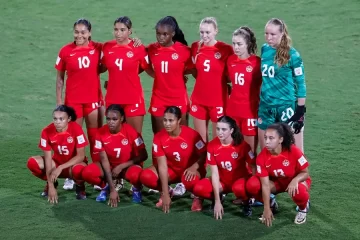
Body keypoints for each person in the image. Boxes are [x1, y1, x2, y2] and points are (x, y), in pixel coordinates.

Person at [55, 18, 103, 190]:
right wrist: (60, 104)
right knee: (73, 139)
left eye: (83, 32)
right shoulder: (65, 51)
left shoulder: (99, 48)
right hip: (73, 102)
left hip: (93, 101)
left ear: (89, 32)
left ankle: (98, 171)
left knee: (95, 137)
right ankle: (71, 173)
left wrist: (135, 41)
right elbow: (60, 79)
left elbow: (115, 54)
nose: (79, 35)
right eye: (76, 31)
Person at [140, 106, 206, 213]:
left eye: (171, 120)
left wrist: (194, 167)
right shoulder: (159, 137)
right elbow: (162, 165)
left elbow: (204, 153)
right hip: (172, 171)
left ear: (179, 120)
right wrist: (165, 194)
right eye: (165, 120)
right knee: (146, 177)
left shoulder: (192, 134)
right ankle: (167, 191)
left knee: (191, 180)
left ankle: (198, 197)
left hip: (189, 171)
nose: (167, 124)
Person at [81, 104, 148, 206]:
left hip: (127, 167)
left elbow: (144, 155)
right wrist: (112, 189)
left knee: (137, 175)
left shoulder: (131, 131)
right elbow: (103, 160)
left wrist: (121, 166)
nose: (110, 122)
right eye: (108, 119)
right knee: (87, 173)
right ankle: (106, 187)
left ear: (122, 118)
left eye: (114, 119)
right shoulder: (100, 133)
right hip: (109, 166)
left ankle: (136, 189)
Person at [246, 123, 311, 226]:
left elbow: (305, 173)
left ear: (280, 139)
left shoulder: (294, 150)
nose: (267, 141)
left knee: (299, 190)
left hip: (296, 181)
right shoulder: (262, 157)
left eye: (271, 138)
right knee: (252, 184)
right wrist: (266, 208)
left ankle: (303, 208)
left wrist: (295, 180)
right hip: (277, 183)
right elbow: (265, 185)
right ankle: (271, 203)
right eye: (266, 137)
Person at [258, 18, 306, 151]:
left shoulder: (293, 55)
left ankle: (301, 172)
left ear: (282, 34)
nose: (268, 37)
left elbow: (301, 84)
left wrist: (300, 110)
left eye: (273, 34)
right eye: (266, 33)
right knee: (267, 149)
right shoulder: (264, 49)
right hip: (266, 106)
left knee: (293, 150)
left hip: (286, 106)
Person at [193, 116, 256, 219]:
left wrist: (253, 191)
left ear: (231, 130)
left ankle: (246, 203)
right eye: (218, 129)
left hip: (239, 182)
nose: (220, 132)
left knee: (239, 188)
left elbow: (253, 166)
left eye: (224, 129)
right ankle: (218, 198)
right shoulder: (212, 146)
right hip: (222, 182)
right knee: (199, 188)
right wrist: (217, 201)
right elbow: (214, 172)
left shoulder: (243, 145)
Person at [100, 16, 152, 134]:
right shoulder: (107, 47)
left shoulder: (138, 47)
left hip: (133, 99)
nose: (118, 33)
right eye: (116, 29)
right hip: (113, 99)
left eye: (122, 30)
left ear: (130, 31)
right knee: (115, 138)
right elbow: (102, 67)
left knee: (135, 139)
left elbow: (147, 68)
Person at [26, 105, 88, 204]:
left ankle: (80, 186)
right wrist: (51, 186)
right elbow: (48, 159)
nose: (57, 122)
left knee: (79, 170)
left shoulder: (76, 129)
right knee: (32, 163)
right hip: (56, 164)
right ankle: (52, 183)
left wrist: (61, 168)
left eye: (61, 119)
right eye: (55, 119)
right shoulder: (46, 131)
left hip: (73, 166)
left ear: (69, 119)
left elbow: (80, 156)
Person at [189, 17, 233, 142]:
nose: (204, 35)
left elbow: (231, 74)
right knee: (200, 141)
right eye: (202, 32)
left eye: (208, 32)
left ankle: (215, 162)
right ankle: (202, 162)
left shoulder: (225, 49)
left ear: (216, 31)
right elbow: (195, 70)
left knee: (218, 141)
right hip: (199, 100)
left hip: (218, 101)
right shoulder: (195, 47)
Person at [147, 16, 193, 134]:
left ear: (172, 33)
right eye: (158, 33)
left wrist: (178, 74)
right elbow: (141, 63)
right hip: (159, 99)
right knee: (159, 138)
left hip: (178, 98)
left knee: (182, 137)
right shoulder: (152, 49)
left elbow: (194, 69)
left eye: (165, 34)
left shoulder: (184, 51)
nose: (160, 37)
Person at [226, 26, 261, 153]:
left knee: (250, 153)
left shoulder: (257, 63)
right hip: (233, 111)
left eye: (239, 44)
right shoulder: (230, 60)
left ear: (248, 44)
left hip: (250, 112)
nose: (236, 47)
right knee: (232, 150)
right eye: (234, 43)